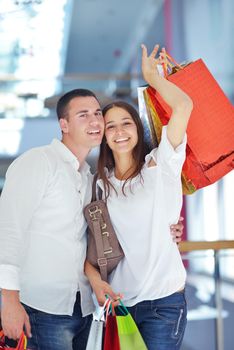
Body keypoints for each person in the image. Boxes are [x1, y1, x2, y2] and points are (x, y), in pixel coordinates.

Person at [0, 87, 184, 349]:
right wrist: (9, 300)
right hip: (43, 308)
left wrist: (168, 226)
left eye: (98, 113)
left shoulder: (93, 181)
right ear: (63, 124)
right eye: (83, 115)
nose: (95, 120)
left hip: (85, 309)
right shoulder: (38, 162)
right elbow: (8, 231)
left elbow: (94, 240)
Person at [85, 44, 193, 350]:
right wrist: (96, 283)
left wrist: (153, 78)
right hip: (120, 305)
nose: (119, 132)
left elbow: (184, 106)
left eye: (126, 123)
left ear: (137, 128)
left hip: (164, 303)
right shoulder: (100, 185)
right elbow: (88, 247)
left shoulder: (159, 165)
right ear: (103, 135)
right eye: (111, 126)